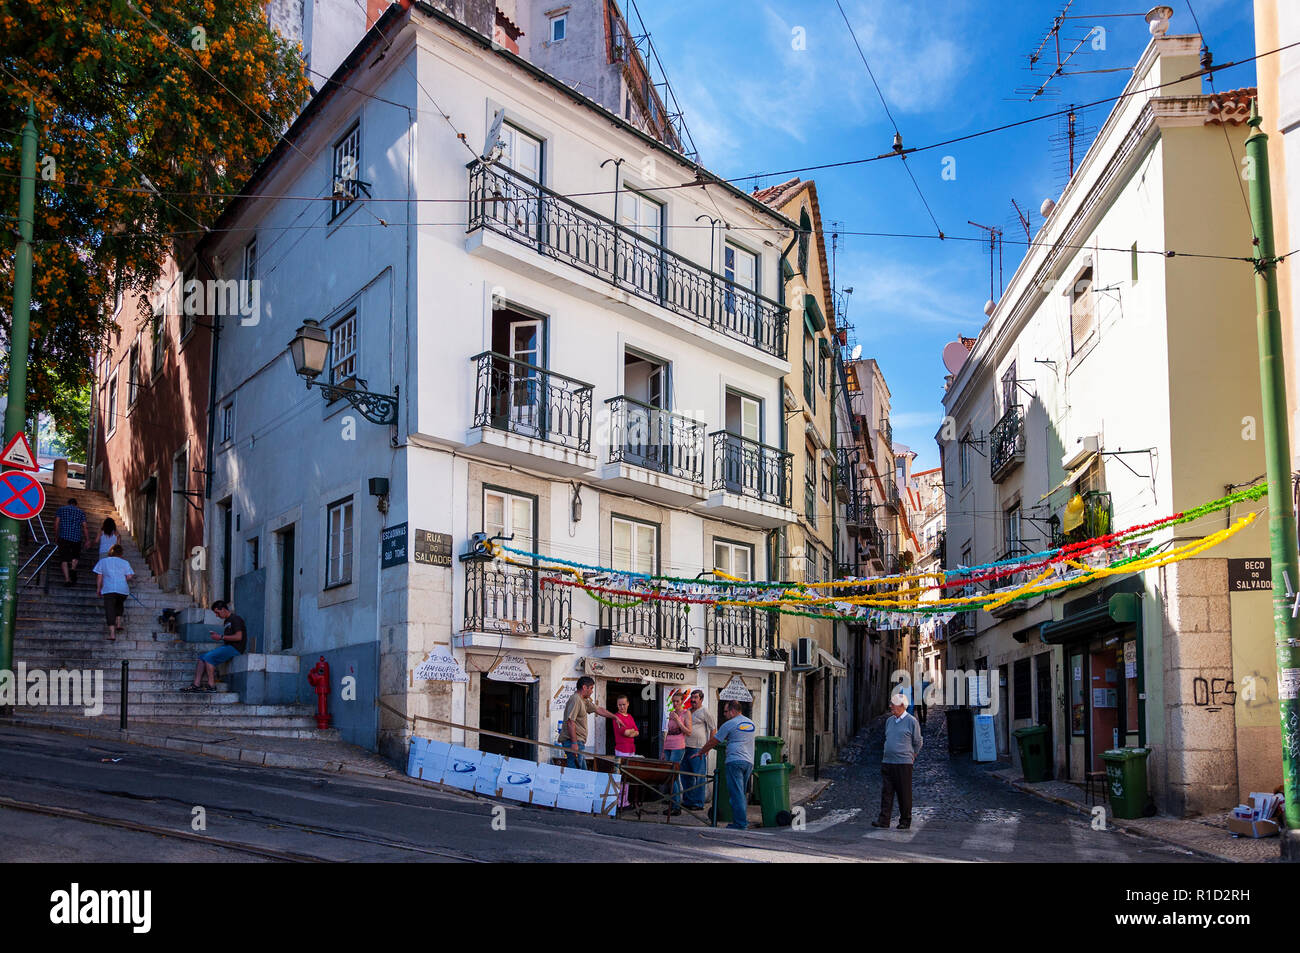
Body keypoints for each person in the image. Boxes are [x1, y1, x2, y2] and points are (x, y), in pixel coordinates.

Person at [698, 700, 756, 830]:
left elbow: (715, 740)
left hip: (734, 761)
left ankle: (740, 824)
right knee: (741, 793)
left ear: (732, 711)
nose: (724, 714)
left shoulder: (729, 724)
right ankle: (740, 820)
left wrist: (701, 751)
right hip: (748, 762)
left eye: (725, 711)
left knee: (736, 794)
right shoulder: (750, 723)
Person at [873, 693, 924, 830]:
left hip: (903, 763)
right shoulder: (889, 721)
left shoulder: (912, 721)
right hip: (888, 761)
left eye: (893, 704)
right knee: (887, 792)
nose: (890, 706)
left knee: (904, 793)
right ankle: (884, 820)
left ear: (902, 706)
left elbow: (918, 741)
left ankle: (905, 821)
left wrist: (913, 755)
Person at [182, 601, 247, 693]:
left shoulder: (236, 619)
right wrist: (218, 636)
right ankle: (196, 685)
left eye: (217, 612)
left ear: (223, 609)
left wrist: (220, 637)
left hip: (236, 648)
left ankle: (211, 686)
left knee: (209, 657)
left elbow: (239, 636)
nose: (217, 615)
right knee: (201, 658)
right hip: (228, 647)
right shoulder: (227, 621)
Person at [559, 676, 615, 769]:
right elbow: (570, 722)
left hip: (578, 742)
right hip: (573, 741)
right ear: (584, 687)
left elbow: (599, 709)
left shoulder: (584, 700)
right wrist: (574, 743)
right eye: (591, 688)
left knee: (583, 772)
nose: (592, 691)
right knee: (577, 773)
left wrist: (615, 717)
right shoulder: (576, 699)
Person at [92, 543, 134, 642]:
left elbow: (99, 576)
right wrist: (122, 579)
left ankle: (112, 634)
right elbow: (129, 576)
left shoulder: (103, 561)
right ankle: (119, 623)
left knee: (110, 609)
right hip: (122, 590)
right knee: (119, 604)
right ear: (121, 553)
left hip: (109, 589)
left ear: (110, 552)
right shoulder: (125, 563)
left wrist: (98, 588)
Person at [681, 688, 716, 810]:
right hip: (685, 748)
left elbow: (713, 729)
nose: (693, 700)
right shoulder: (687, 711)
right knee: (685, 776)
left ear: (701, 699)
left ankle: (698, 803)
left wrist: (708, 748)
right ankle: (688, 801)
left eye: (696, 698)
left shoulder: (705, 711)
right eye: (692, 697)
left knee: (699, 776)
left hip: (698, 748)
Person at [660, 688, 691, 815]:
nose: (675, 704)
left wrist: (678, 720)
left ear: (682, 702)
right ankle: (673, 803)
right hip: (669, 745)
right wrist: (663, 750)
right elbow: (667, 733)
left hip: (678, 746)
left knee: (673, 774)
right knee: (670, 775)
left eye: (677, 701)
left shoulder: (685, 714)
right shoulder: (671, 713)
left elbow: (688, 731)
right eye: (673, 701)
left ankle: (676, 806)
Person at [610, 695, 639, 809]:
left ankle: (625, 801)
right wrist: (631, 732)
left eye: (624, 704)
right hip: (622, 750)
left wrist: (630, 731)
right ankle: (619, 802)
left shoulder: (630, 717)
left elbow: (637, 732)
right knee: (621, 778)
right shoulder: (616, 717)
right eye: (619, 705)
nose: (622, 707)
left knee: (627, 778)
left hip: (631, 750)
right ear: (617, 705)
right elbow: (625, 733)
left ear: (628, 704)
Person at [52, 497, 88, 586]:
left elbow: (56, 524)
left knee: (64, 559)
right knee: (75, 556)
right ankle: (72, 568)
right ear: (76, 504)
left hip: (64, 537)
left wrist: (56, 536)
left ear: (68, 503)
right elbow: (84, 527)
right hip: (77, 538)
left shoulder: (61, 510)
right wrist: (87, 539)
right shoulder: (81, 512)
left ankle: (67, 579)